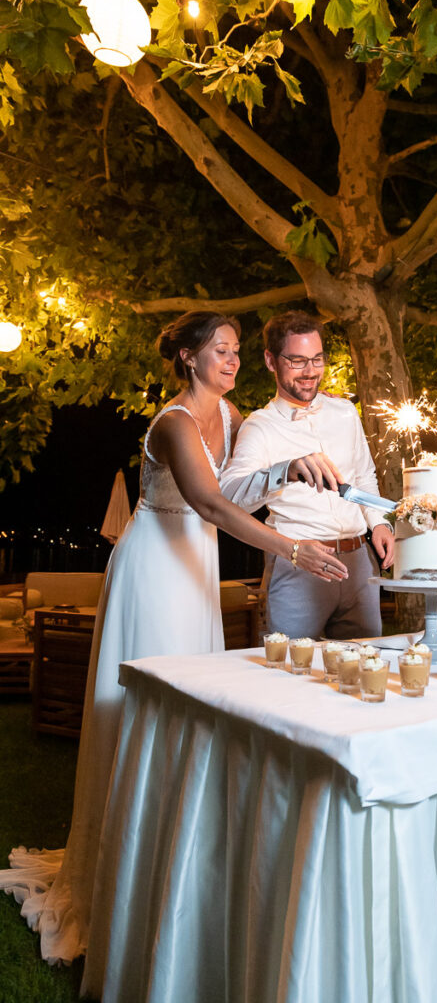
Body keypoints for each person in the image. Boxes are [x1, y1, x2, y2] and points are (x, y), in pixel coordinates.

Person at [0, 310, 348, 965]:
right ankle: (126, 852)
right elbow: (209, 503)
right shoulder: (173, 422)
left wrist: (286, 471)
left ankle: (178, 839)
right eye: (221, 349)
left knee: (195, 703)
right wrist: (293, 550)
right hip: (154, 570)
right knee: (147, 703)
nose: (233, 359)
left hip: (197, 569)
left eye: (239, 350)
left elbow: (235, 495)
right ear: (188, 357)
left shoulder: (236, 418)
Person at [221, 309, 394, 640]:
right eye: (297, 361)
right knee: (290, 673)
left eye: (317, 359)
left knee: (363, 669)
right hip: (300, 563)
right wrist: (286, 470)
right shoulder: (260, 426)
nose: (310, 371)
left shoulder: (345, 411)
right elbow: (229, 497)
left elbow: (364, 475)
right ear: (271, 361)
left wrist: (380, 523)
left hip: (360, 565)